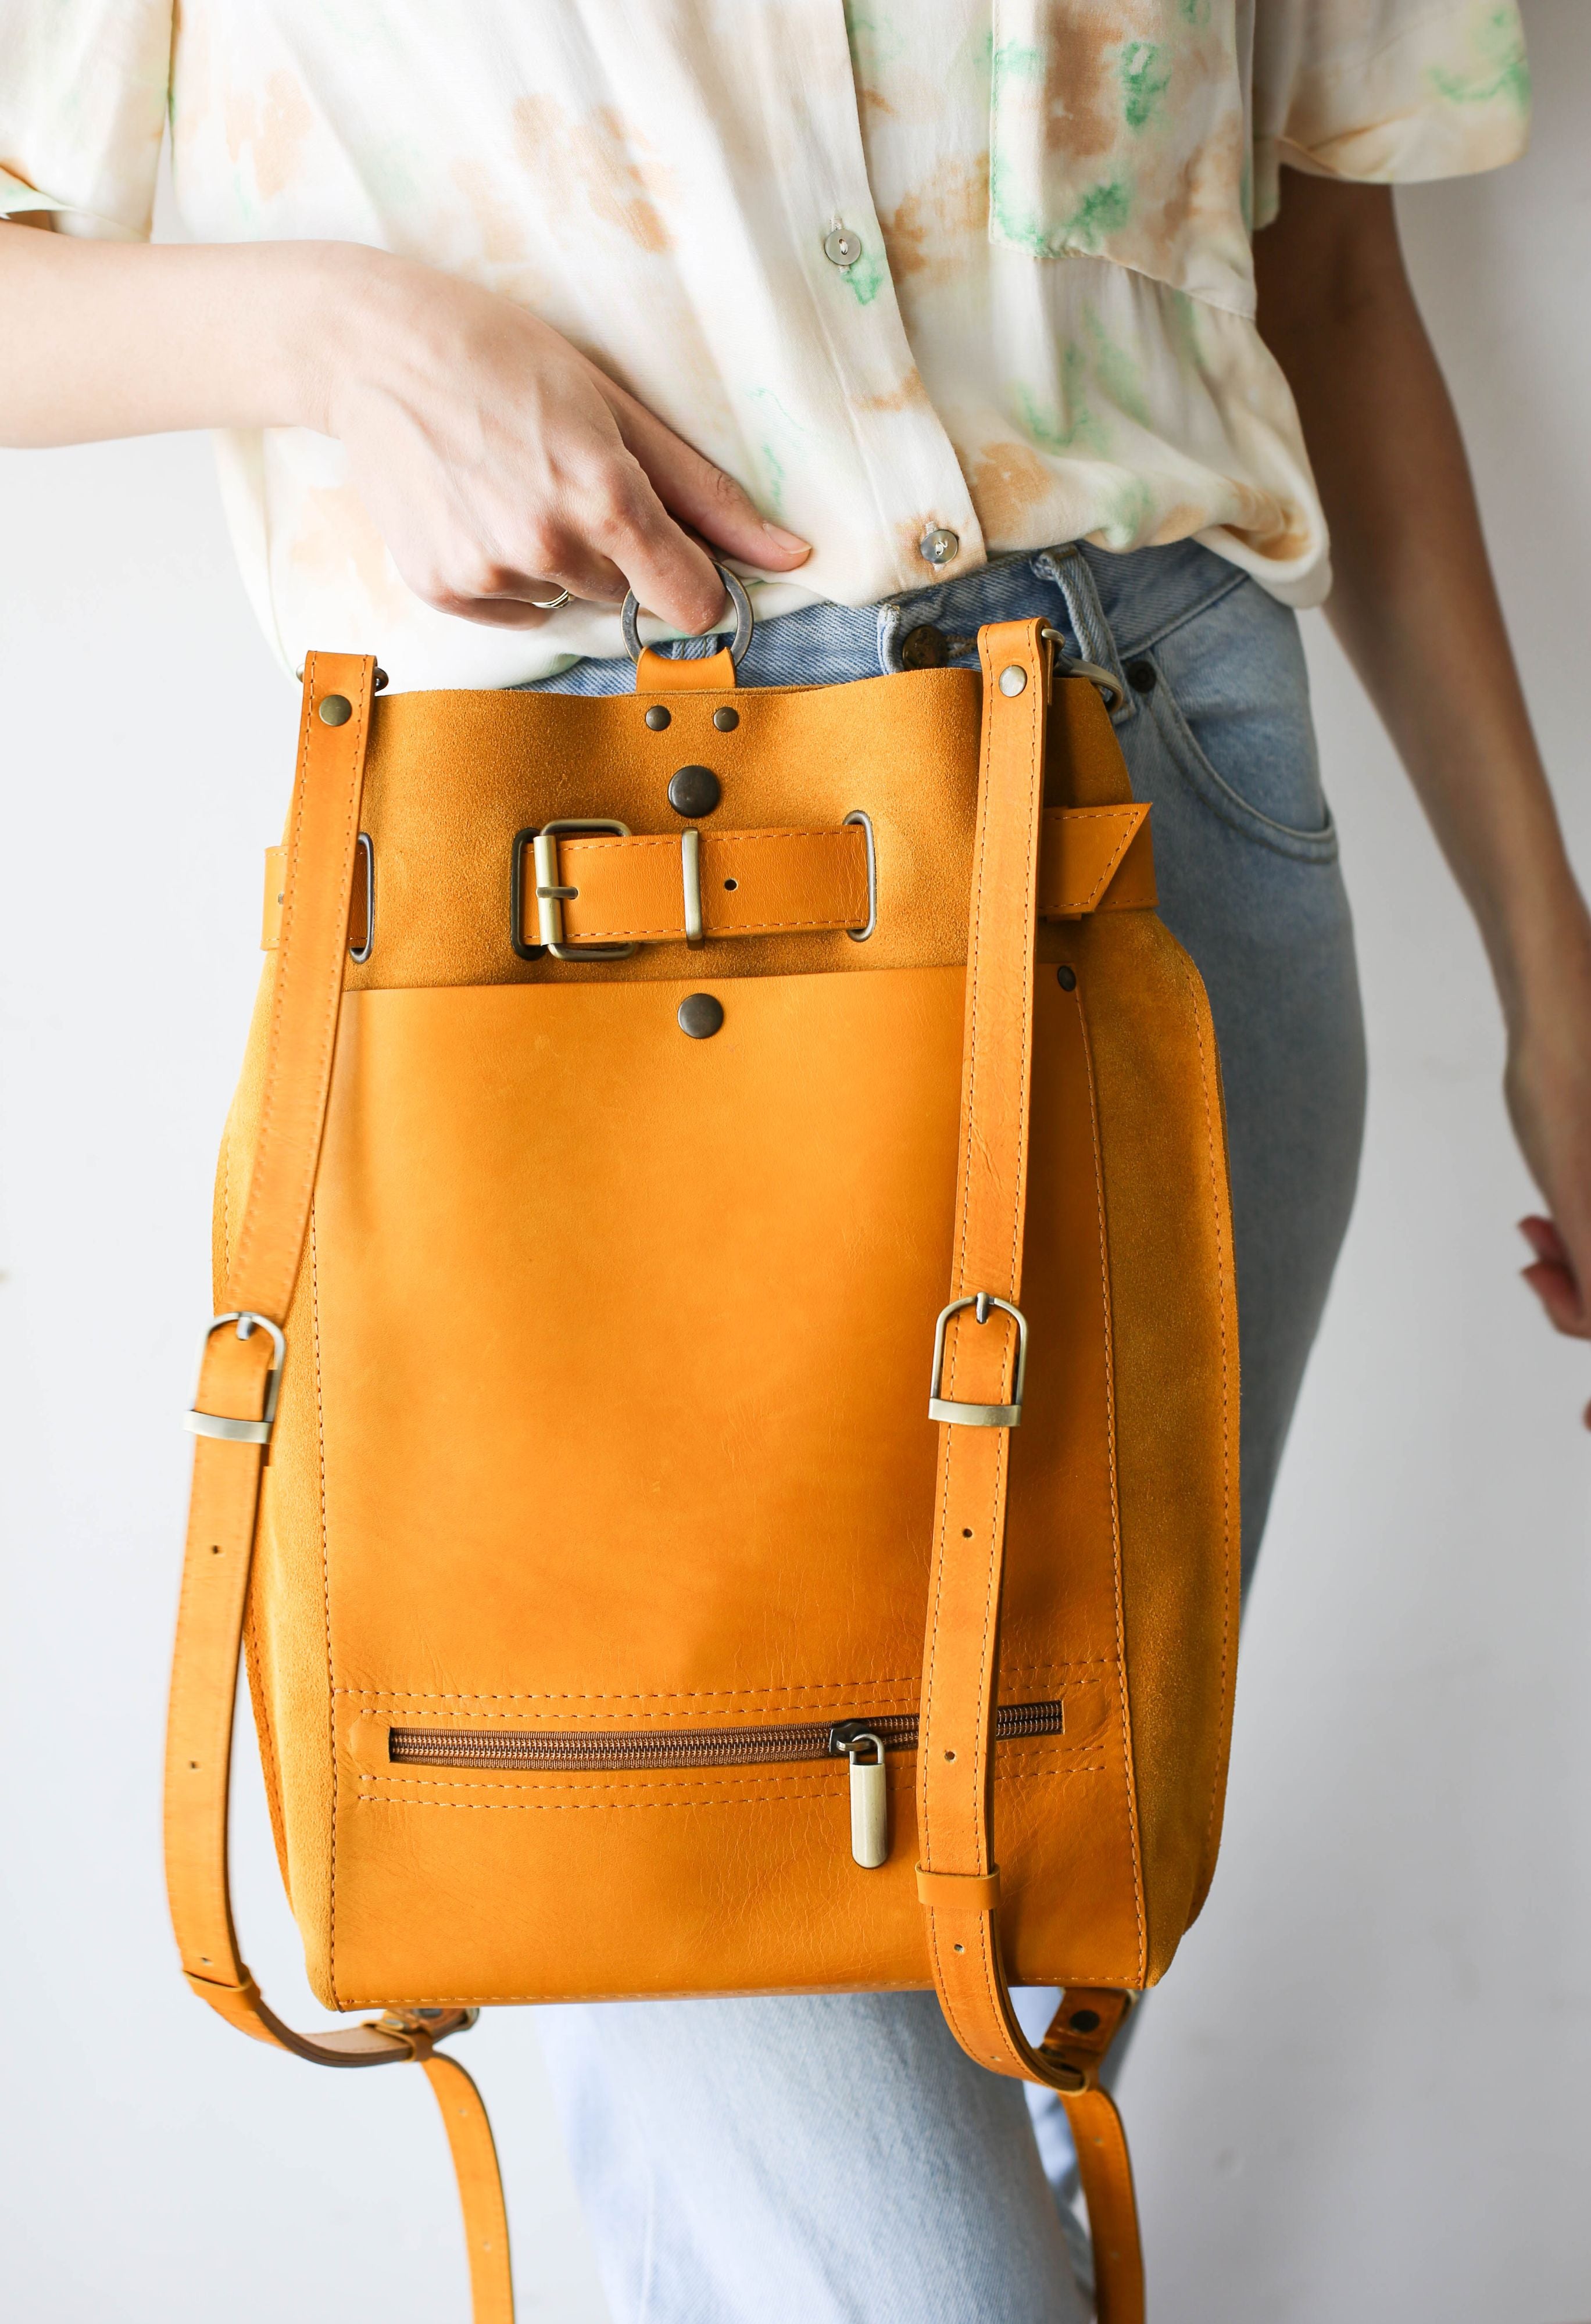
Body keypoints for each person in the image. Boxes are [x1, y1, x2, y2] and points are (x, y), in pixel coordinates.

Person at [3, 5, 1585, 2316]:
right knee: (872, 2239)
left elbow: (1326, 273)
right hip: (574, 925)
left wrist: (1550, 982)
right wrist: (338, 331)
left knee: (990, 1945)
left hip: (1165, 839)